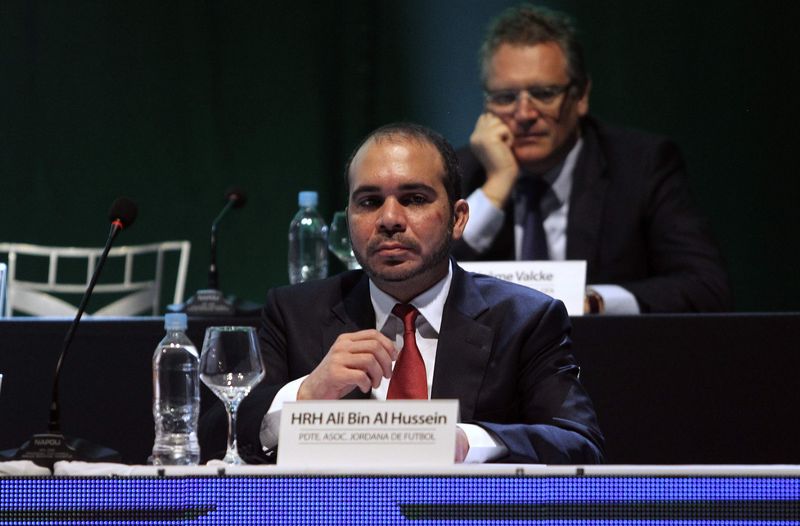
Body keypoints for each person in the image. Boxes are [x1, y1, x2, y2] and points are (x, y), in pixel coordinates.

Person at [200, 122, 604, 465]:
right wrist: (305, 395)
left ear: (458, 218)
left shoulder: (525, 318)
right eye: (370, 201)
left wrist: (469, 443)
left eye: (414, 199)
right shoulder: (296, 313)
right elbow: (211, 439)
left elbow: (579, 444)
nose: (390, 219)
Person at [452, 4, 732, 314]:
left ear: (581, 96)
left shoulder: (640, 166)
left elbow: (705, 287)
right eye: (505, 98)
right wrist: (497, 186)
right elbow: (420, 283)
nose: (524, 114)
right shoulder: (461, 172)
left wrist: (594, 302)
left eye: (544, 94)